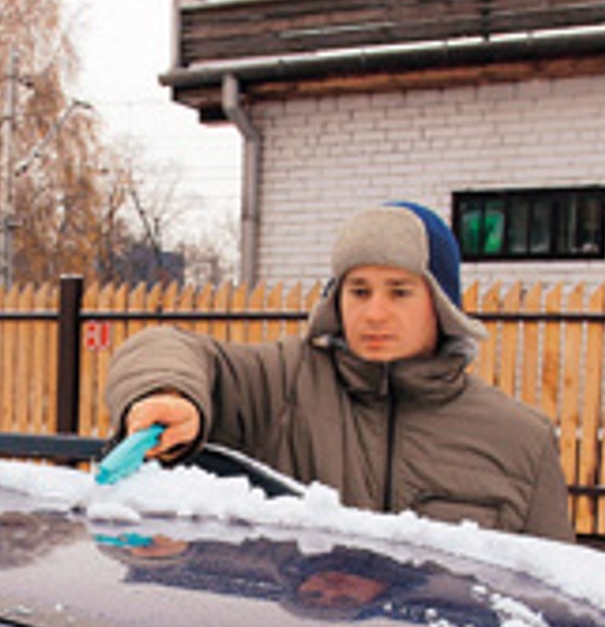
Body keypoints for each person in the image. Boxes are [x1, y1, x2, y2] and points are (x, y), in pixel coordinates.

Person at [105, 201, 574, 541]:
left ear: (441, 304)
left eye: (399, 291)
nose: (374, 313)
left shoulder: (520, 441)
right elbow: (164, 346)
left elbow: (555, 598)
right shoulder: (284, 384)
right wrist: (168, 391)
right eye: (359, 291)